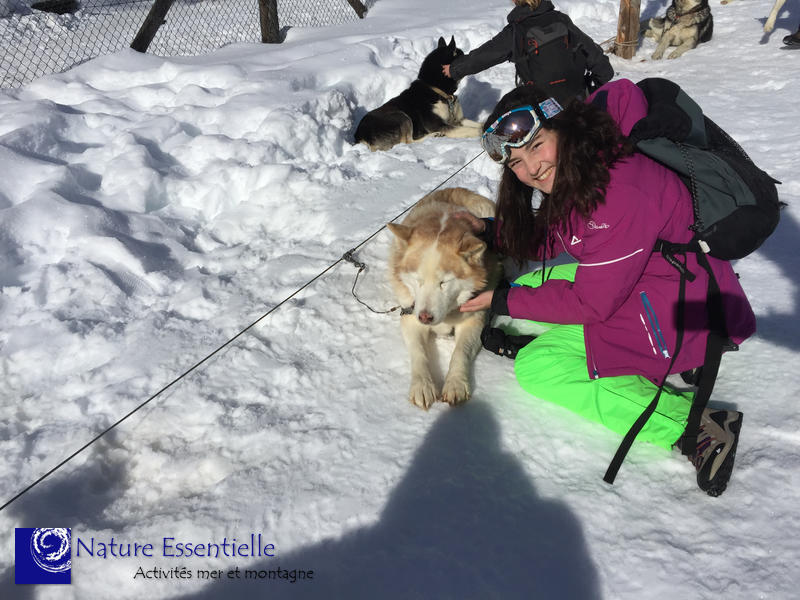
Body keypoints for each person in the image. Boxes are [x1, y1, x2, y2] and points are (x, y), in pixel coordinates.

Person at [458, 80, 756, 496]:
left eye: (537, 145)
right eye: (517, 163)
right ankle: (580, 348)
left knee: (539, 367)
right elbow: (558, 235)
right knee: (532, 284)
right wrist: (491, 232)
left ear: (562, 126)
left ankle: (695, 426)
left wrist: (503, 299)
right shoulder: (590, 160)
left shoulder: (621, 189)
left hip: (683, 312)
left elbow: (589, 303)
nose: (531, 169)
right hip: (657, 281)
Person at [442, 0, 613, 106]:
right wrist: (592, 91)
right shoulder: (561, 20)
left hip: (541, 107)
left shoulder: (516, 31)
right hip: (577, 101)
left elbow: (484, 56)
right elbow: (601, 64)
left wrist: (454, 69)